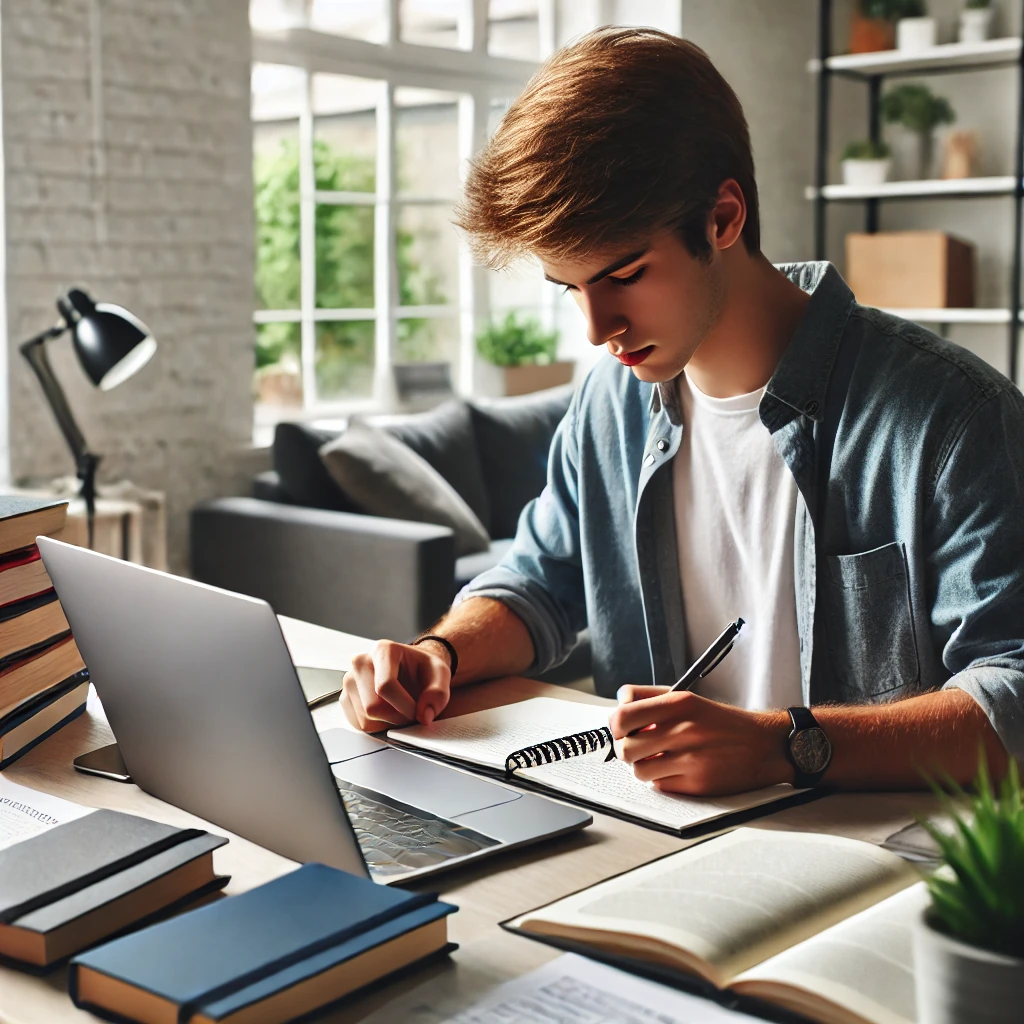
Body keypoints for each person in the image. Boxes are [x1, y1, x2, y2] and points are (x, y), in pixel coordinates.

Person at [341, 27, 1023, 795]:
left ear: (723, 218)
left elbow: (1013, 694)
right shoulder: (608, 404)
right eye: (571, 289)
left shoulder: (954, 419)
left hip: (869, 863)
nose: (598, 329)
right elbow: (537, 581)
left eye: (625, 275)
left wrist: (784, 746)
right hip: (652, 842)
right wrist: (439, 655)